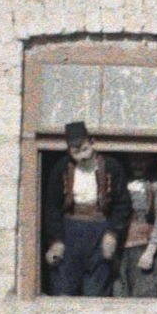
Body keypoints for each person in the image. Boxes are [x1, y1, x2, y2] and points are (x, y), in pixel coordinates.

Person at [41, 120, 130, 297]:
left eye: (84, 150)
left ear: (92, 142)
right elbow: (52, 206)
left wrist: (112, 233)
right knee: (65, 286)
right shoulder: (61, 168)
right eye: (75, 152)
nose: (82, 156)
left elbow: (123, 204)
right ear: (69, 151)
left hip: (99, 230)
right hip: (70, 230)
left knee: (96, 288)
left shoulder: (111, 167)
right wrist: (56, 240)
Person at [112, 154, 157, 299]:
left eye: (142, 160)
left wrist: (151, 250)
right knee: (119, 295)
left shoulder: (155, 185)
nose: (137, 165)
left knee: (143, 298)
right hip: (120, 249)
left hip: (143, 247)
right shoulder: (120, 184)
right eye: (134, 160)